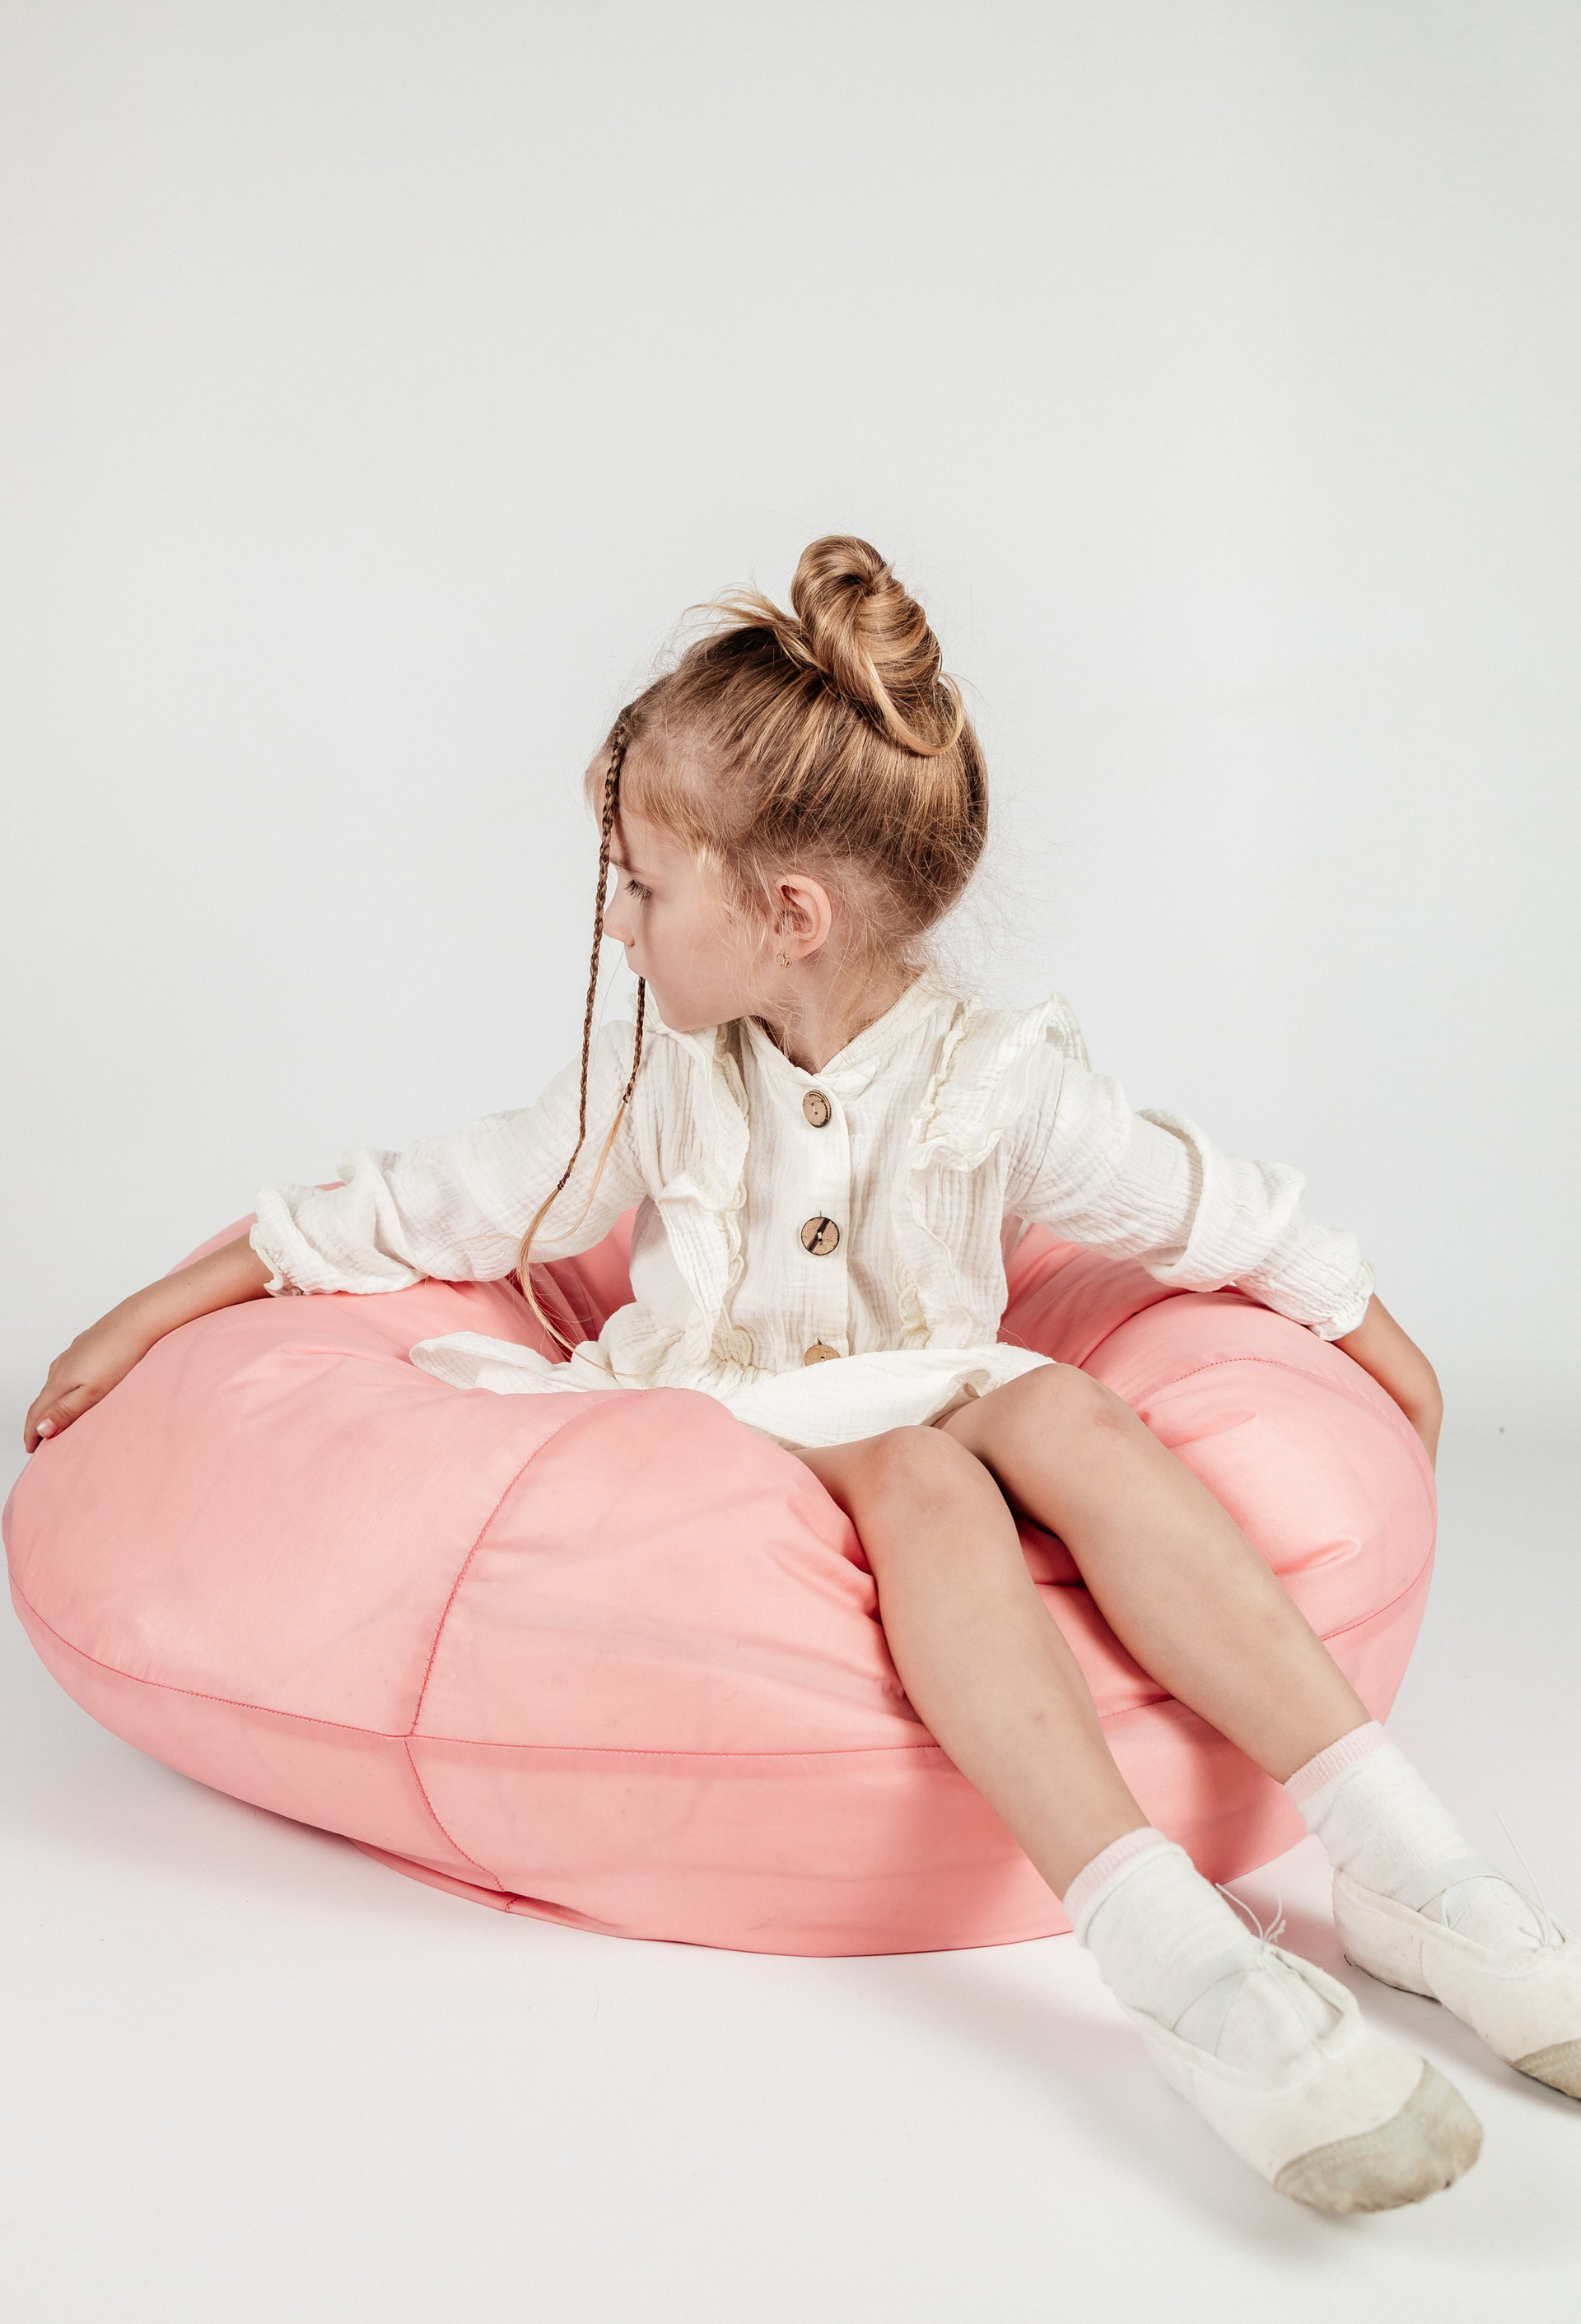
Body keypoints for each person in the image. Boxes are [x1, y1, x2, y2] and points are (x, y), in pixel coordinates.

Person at [25, 535, 1578, 2211]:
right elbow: (433, 1198)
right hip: (717, 1428)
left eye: (642, 887)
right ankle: (1174, 1955)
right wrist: (167, 1303)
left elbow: (1207, 1207)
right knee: (922, 1471)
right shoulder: (657, 1081)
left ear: (788, 916)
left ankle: (1412, 1865)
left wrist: (1372, 1335)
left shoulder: (995, 1084)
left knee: (1059, 1410)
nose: (618, 925)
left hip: (925, 1386)